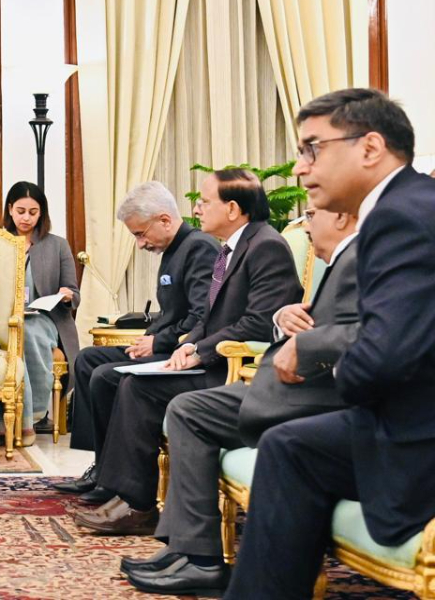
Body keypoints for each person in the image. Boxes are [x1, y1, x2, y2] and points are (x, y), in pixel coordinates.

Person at [226, 89, 435, 599]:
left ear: (369, 148)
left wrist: (338, 375)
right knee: (291, 443)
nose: (300, 168)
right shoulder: (412, 205)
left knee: (290, 444)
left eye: (312, 148)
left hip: (418, 432)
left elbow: (384, 354)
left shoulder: (400, 215)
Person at [124, 206, 359, 596]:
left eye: (313, 213)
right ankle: (189, 550)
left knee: (186, 408)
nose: (303, 224)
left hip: (313, 392)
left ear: (342, 217)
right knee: (183, 408)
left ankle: (198, 558)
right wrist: (285, 316)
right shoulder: (337, 259)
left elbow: (367, 334)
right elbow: (300, 317)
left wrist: (305, 343)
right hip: (289, 382)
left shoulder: (332, 253)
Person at [73, 169, 301, 534]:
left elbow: (258, 323)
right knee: (129, 379)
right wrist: (191, 342)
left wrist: (199, 349)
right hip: (209, 356)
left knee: (136, 386)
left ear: (231, 208)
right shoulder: (233, 248)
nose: (197, 209)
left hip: (230, 368)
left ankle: (137, 504)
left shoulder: (265, 246)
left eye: (205, 201)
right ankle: (123, 492)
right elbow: (207, 316)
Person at [53, 181, 218, 496]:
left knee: (104, 375)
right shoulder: (174, 252)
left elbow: (200, 318)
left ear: (165, 220)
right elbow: (172, 311)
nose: (140, 244)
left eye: (141, 234)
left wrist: (158, 342)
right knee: (87, 359)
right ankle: (102, 465)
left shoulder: (198, 248)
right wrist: (150, 336)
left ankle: (114, 476)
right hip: (165, 344)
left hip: (181, 353)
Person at [1, 181, 79, 443]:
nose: (26, 218)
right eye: (20, 211)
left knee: (27, 332)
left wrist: (67, 295)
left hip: (44, 318)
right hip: (4, 317)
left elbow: (73, 292)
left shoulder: (57, 245)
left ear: (42, 213)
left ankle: (31, 417)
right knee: (10, 332)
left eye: (33, 212)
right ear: (10, 209)